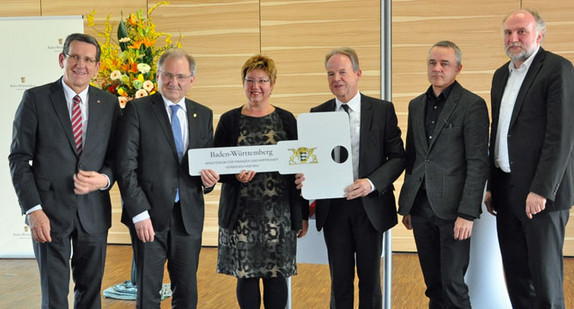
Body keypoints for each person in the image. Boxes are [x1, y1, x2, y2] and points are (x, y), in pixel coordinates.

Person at [8, 33, 120, 308]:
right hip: (49, 215)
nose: (81, 65)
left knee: (90, 294)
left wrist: (104, 179)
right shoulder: (35, 99)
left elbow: (117, 158)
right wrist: (33, 210)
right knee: (55, 295)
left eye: (88, 60)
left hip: (93, 214)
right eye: (75, 57)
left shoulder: (108, 104)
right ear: (62, 59)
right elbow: (19, 158)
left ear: (96, 67)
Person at [297, 47, 405, 308]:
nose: (337, 79)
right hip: (334, 210)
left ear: (358, 73)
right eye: (331, 74)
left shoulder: (382, 110)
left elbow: (398, 158)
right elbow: (309, 160)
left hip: (370, 208)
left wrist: (370, 183)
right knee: (340, 282)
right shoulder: (317, 113)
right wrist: (304, 176)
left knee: (370, 282)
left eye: (343, 72)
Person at [115, 48, 219, 308]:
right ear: (158, 76)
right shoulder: (137, 110)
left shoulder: (203, 114)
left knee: (186, 293)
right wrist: (139, 214)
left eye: (181, 76)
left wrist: (209, 181)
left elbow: (204, 166)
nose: (174, 82)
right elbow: (125, 166)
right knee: (148, 294)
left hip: (188, 218)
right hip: (148, 217)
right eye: (167, 75)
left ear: (192, 80)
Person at [484, 9, 574, 308]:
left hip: (541, 197)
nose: (514, 38)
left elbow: (560, 136)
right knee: (518, 280)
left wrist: (542, 190)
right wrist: (490, 186)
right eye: (508, 33)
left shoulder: (557, 69)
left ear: (539, 35)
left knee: (545, 284)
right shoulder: (500, 75)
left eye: (521, 31)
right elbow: (498, 132)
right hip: (506, 193)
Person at [397, 41, 489, 308]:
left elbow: (477, 163)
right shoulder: (416, 105)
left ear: (458, 68)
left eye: (444, 63)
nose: (437, 68)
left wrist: (467, 213)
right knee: (434, 286)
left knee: (453, 285)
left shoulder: (472, 105)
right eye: (432, 63)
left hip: (454, 212)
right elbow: (414, 157)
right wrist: (409, 205)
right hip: (422, 209)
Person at [214, 54, 309, 309]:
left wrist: (301, 213)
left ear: (273, 83)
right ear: (243, 83)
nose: (255, 86)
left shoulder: (287, 120)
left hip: (279, 215)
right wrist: (233, 174)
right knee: (246, 277)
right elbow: (215, 165)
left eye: (262, 80)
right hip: (241, 217)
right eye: (250, 80)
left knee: (277, 278)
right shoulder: (229, 120)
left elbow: (301, 168)